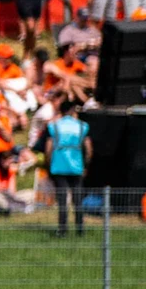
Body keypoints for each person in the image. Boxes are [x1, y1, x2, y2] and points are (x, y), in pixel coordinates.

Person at [44, 99, 90, 235]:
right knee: (78, 198)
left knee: (62, 199)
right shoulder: (82, 126)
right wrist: (85, 163)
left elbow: (48, 147)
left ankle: (62, 229)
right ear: (73, 110)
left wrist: (48, 163)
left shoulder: (54, 126)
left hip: (59, 165)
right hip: (76, 165)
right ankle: (80, 228)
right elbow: (88, 147)